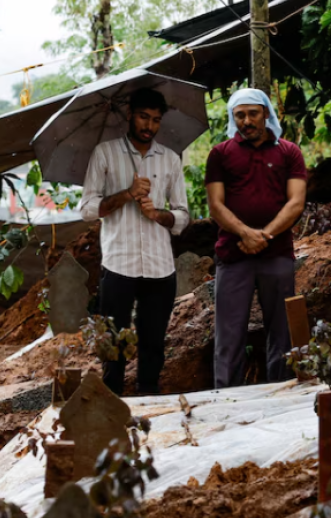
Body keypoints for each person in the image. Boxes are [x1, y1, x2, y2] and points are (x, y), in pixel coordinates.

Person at [79, 88, 190, 395]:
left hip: (159, 267)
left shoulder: (169, 159)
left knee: (153, 341)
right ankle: (112, 400)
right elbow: (88, 209)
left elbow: (182, 216)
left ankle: (150, 400)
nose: (149, 126)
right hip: (118, 265)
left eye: (155, 120)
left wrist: (158, 215)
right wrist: (127, 194)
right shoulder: (105, 153)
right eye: (143, 117)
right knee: (113, 341)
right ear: (129, 115)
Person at [205, 88, 307, 389]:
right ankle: (224, 400)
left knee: (282, 331)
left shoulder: (289, 152)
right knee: (229, 333)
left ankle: (283, 395)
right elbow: (215, 205)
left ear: (266, 113)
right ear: (232, 118)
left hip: (277, 255)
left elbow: (296, 202)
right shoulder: (220, 154)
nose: (246, 120)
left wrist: (266, 235)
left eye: (252, 113)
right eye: (240, 115)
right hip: (233, 255)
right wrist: (246, 234)